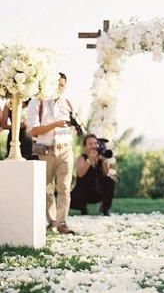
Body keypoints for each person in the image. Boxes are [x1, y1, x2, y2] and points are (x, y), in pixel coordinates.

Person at [27, 73, 75, 235]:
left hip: (66, 148)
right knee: (46, 188)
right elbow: (33, 130)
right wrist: (55, 124)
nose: (59, 88)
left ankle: (62, 223)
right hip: (45, 150)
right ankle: (52, 220)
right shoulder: (36, 102)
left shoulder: (67, 103)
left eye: (62, 85)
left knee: (65, 188)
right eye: (57, 85)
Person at [70, 134, 115, 216]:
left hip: (97, 191)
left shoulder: (101, 157)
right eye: (90, 144)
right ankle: (83, 208)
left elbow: (106, 174)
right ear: (85, 146)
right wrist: (89, 159)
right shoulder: (81, 158)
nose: (93, 146)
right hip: (83, 192)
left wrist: (104, 162)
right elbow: (80, 174)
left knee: (110, 181)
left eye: (95, 143)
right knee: (71, 200)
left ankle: (106, 209)